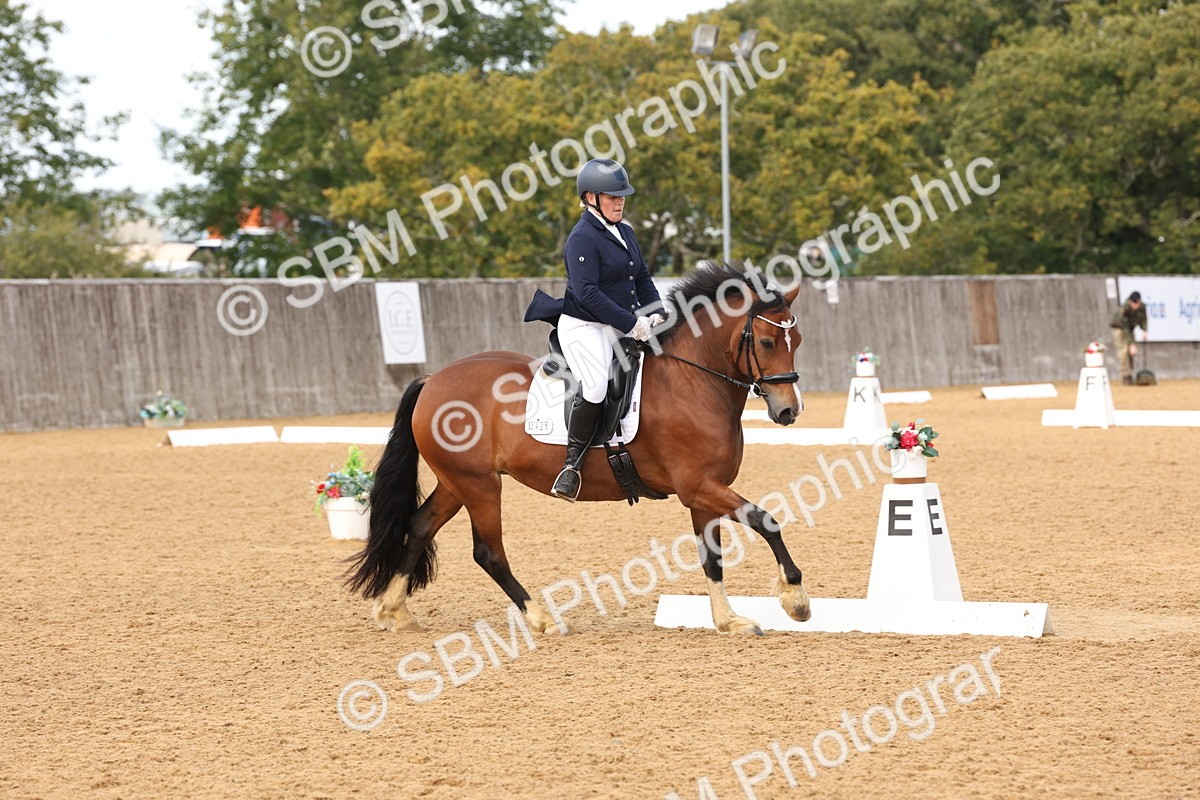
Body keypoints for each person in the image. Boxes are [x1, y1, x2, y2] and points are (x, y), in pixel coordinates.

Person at [524, 158, 664, 502]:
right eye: (612, 196)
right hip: (584, 325)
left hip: (617, 322)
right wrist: (631, 323)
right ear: (590, 198)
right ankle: (572, 466)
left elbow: (642, 277)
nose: (619, 202)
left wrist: (657, 309)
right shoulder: (582, 238)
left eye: (622, 196)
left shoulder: (625, 231)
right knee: (598, 383)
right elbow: (588, 293)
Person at [1110, 291, 1148, 385]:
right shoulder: (1124, 309)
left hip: (1130, 329)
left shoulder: (1142, 306)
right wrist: (1132, 343)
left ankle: (1130, 373)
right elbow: (1125, 327)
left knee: (1132, 353)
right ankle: (1125, 376)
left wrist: (1144, 330)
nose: (1134, 305)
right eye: (1133, 303)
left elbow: (1143, 319)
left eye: (1136, 303)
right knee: (1123, 351)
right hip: (1119, 328)